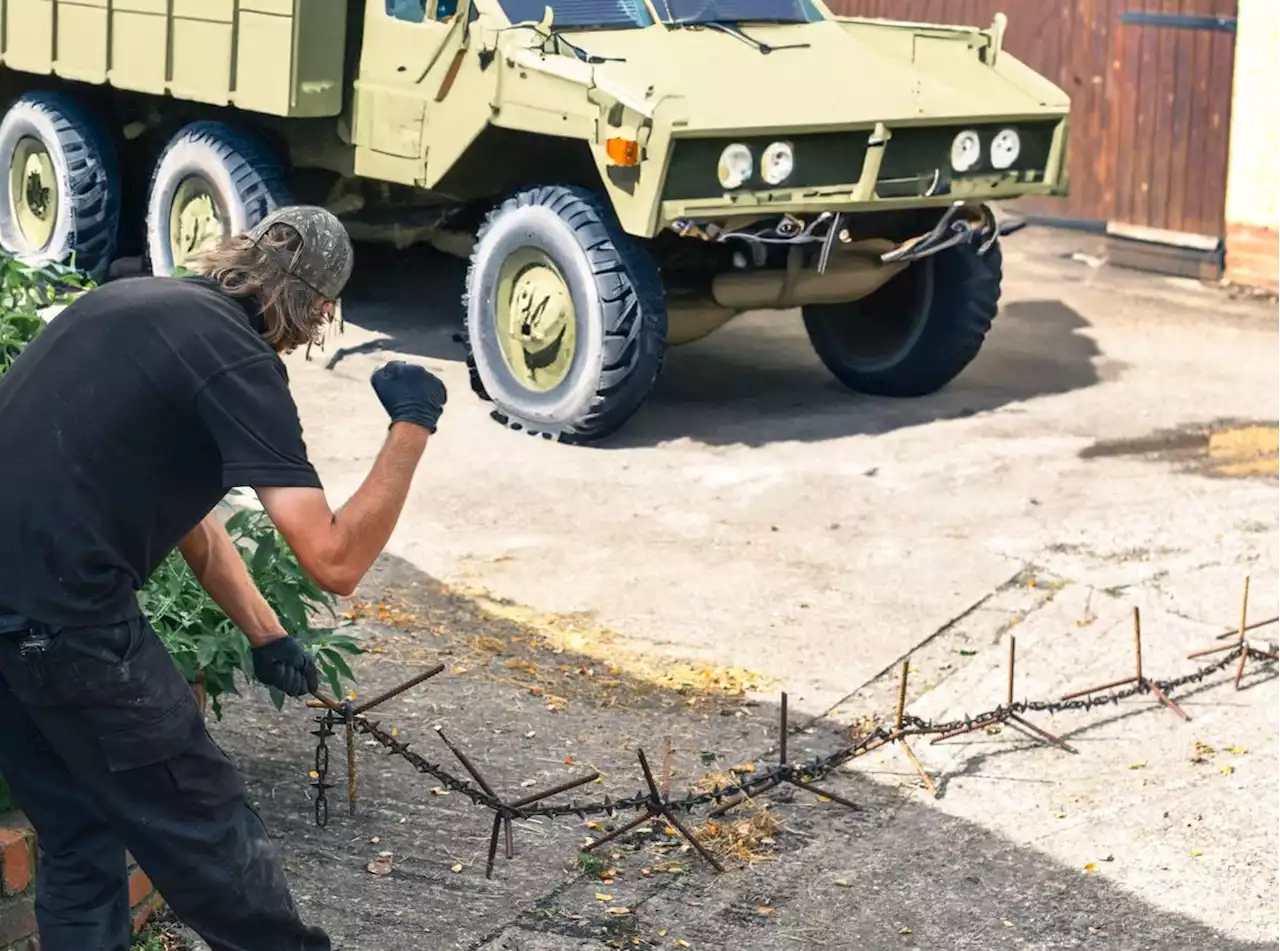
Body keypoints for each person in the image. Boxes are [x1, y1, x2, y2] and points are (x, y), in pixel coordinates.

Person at [0, 205, 447, 951]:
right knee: (207, 824)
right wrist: (412, 426)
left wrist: (267, 634)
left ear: (235, 256)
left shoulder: (132, 304)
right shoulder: (239, 359)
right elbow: (334, 560)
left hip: (14, 620)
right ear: (320, 312)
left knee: (78, 834)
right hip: (66, 619)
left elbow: (187, 518)